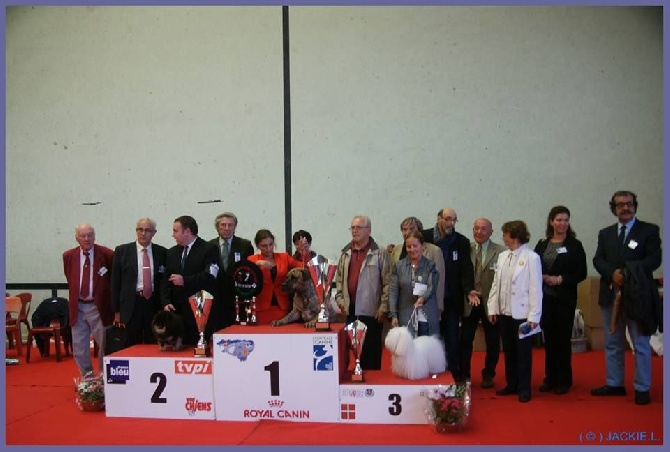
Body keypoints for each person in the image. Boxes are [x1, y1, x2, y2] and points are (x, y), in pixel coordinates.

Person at [591, 190, 662, 405]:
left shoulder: (648, 231)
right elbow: (598, 259)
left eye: (629, 204)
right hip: (611, 293)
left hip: (637, 295)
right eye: (620, 204)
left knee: (640, 343)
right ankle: (614, 384)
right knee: (612, 342)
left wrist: (627, 273)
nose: (625, 207)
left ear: (635, 206)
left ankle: (642, 388)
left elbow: (654, 259)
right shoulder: (606, 233)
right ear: (614, 208)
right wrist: (612, 273)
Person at [487, 220, 542, 403]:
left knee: (523, 352)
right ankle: (512, 384)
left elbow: (536, 288)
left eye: (505, 233)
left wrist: (534, 316)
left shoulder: (531, 257)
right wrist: (492, 308)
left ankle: (524, 388)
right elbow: (496, 284)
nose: (502, 237)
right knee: (508, 350)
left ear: (515, 236)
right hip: (504, 312)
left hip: (522, 315)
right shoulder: (503, 256)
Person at [534, 206, 587, 395]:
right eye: (559, 220)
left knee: (563, 340)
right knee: (549, 340)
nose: (562, 223)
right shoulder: (542, 244)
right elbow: (533, 265)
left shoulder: (575, 245)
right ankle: (550, 378)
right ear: (551, 222)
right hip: (545, 298)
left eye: (566, 220)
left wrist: (560, 279)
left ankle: (564, 379)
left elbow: (581, 272)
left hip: (564, 298)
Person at [421, 207, 477, 381]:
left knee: (452, 340)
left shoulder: (461, 242)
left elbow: (466, 269)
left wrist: (469, 290)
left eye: (454, 220)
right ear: (438, 218)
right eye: (447, 219)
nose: (451, 223)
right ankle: (428, 374)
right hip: (427, 300)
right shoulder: (424, 237)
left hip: (451, 299)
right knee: (430, 339)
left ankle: (454, 376)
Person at [335, 215, 390, 370]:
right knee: (350, 354)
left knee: (371, 355)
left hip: (372, 312)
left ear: (369, 230)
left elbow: (388, 283)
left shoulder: (380, 253)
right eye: (352, 227)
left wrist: (383, 307)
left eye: (358, 227)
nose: (354, 231)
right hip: (350, 311)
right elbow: (339, 281)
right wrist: (340, 302)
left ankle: (371, 389)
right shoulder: (345, 253)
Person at [459, 218, 507, 389]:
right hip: (470, 301)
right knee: (465, 340)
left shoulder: (502, 252)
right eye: (476, 228)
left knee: (493, 341)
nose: (479, 232)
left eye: (483, 229)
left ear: (491, 232)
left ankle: (488, 374)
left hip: (491, 303)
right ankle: (464, 375)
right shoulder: (466, 249)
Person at [62, 224, 114, 377]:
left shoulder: (107, 255)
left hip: (98, 307)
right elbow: (70, 278)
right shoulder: (68, 256)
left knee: (105, 344)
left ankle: (104, 378)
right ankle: (88, 379)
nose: (87, 239)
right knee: (80, 346)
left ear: (95, 236)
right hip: (77, 306)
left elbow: (112, 280)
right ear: (76, 238)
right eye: (83, 236)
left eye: (90, 235)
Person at [161, 215, 219, 345]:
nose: (173, 235)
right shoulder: (171, 252)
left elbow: (210, 276)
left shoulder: (209, 249)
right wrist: (166, 301)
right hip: (177, 312)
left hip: (199, 310)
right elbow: (165, 280)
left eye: (176, 231)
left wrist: (185, 280)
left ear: (187, 231)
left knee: (197, 346)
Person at [111, 218, 168, 346]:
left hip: (153, 303)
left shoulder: (162, 252)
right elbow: (115, 282)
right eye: (140, 230)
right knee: (131, 342)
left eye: (147, 230)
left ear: (154, 233)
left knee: (154, 341)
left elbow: (164, 281)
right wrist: (116, 311)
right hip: (132, 304)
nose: (143, 233)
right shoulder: (122, 251)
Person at [208, 212, 254, 333]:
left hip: (237, 295)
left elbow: (249, 272)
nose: (226, 228)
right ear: (217, 227)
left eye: (230, 225)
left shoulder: (245, 245)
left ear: (235, 227)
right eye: (223, 225)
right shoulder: (209, 246)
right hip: (216, 295)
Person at [247, 229, 305, 325]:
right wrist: (258, 263)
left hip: (282, 306)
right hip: (261, 307)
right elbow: (245, 271)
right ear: (257, 246)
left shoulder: (284, 257)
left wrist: (304, 253)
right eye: (264, 246)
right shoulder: (252, 259)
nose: (268, 248)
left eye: (271, 244)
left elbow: (303, 268)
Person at [389, 230, 440, 336]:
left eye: (415, 246)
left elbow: (432, 287)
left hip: (426, 316)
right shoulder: (398, 266)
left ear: (422, 246)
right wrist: (393, 315)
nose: (412, 249)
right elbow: (393, 292)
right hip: (406, 316)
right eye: (408, 246)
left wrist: (423, 298)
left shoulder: (431, 266)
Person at [389, 217, 445, 311]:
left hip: (426, 305)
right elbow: (392, 282)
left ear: (420, 231)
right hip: (403, 305)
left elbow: (439, 282)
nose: (407, 232)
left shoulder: (434, 250)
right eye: (404, 229)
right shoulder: (396, 250)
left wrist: (439, 307)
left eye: (411, 229)